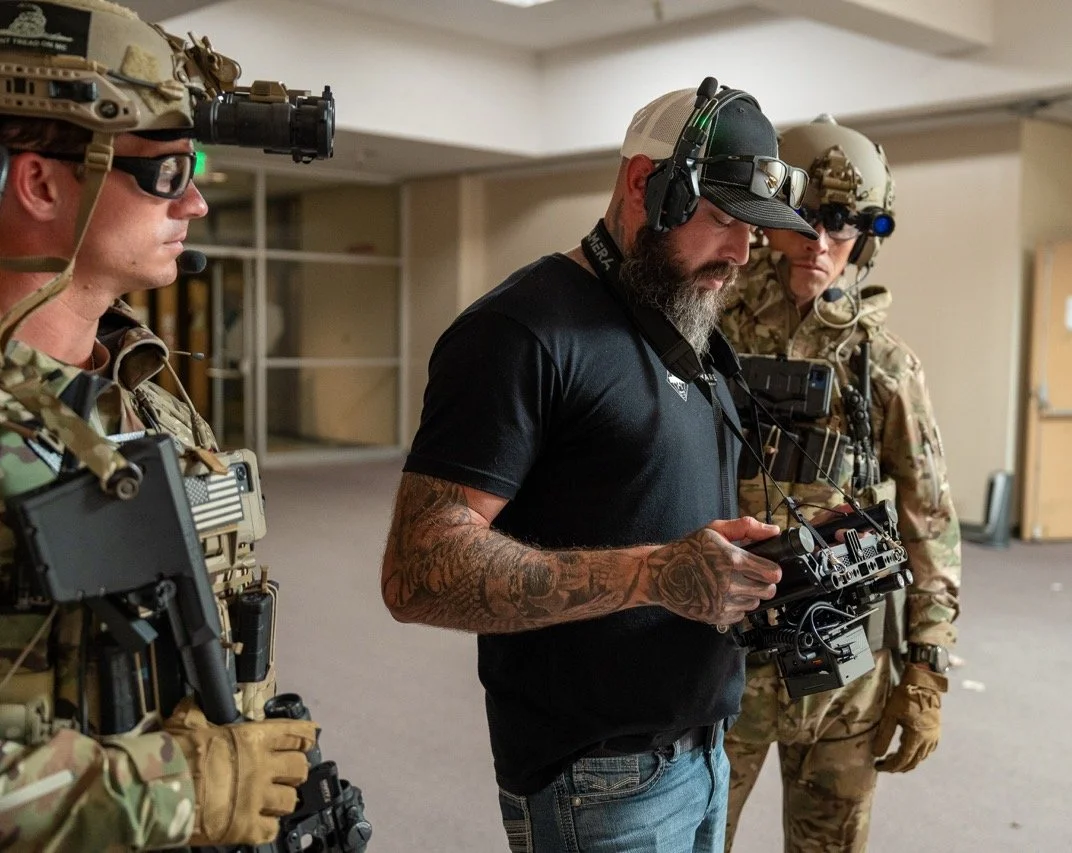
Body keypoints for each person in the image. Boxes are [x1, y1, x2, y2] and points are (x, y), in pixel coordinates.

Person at [380, 79, 819, 852]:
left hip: (709, 748)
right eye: (722, 219)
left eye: (753, 229)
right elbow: (416, 570)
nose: (742, 255)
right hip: (600, 782)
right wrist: (654, 575)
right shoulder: (518, 332)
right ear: (645, 184)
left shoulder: (686, 324)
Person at [0, 1, 339, 849]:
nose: (194, 203)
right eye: (166, 170)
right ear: (43, 182)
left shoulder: (137, 380)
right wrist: (188, 785)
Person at [719, 115, 962, 852]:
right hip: (719, 665)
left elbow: (930, 526)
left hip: (842, 668)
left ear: (866, 233)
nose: (818, 244)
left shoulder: (884, 365)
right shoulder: (705, 336)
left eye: (841, 223)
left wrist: (926, 669)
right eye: (801, 219)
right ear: (767, 217)